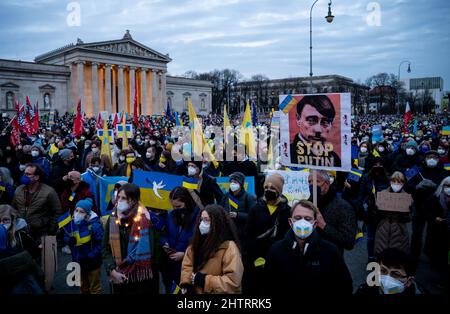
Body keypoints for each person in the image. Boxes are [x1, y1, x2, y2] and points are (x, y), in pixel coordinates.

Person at [264, 200, 353, 294]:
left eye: (307, 219)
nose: (302, 222)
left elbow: (344, 286)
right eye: (298, 218)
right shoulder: (276, 251)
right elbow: (267, 287)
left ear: (314, 224)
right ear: (290, 222)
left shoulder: (330, 251)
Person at [102, 183, 159, 294]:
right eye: (118, 197)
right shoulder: (113, 218)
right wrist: (112, 270)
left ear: (133, 200)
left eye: (123, 198)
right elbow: (105, 248)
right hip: (118, 276)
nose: (119, 200)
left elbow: (151, 252)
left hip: (141, 280)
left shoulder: (145, 219)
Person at [180, 204, 243, 294]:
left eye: (207, 220)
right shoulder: (196, 241)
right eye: (201, 219)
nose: (202, 224)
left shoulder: (229, 247)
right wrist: (186, 283)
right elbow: (187, 265)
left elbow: (233, 282)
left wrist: (205, 280)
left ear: (217, 223)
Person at [244, 173, 291, 294]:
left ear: (279, 191)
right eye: (266, 187)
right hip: (256, 261)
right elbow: (248, 235)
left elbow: (287, 237)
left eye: (272, 188)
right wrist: (256, 258)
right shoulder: (255, 208)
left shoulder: (287, 211)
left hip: (278, 260)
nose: (268, 190)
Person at [160, 187, 200, 293]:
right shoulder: (171, 215)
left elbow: (200, 242)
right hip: (171, 265)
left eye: (178, 206)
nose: (175, 209)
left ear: (186, 202)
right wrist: (165, 243)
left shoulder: (198, 216)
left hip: (188, 267)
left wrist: (184, 254)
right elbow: (164, 233)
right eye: (173, 206)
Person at [308, 170, 357, 254]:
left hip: (331, 259)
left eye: (317, 181)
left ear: (326, 184)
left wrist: (324, 226)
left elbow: (349, 242)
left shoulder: (343, 207)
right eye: (309, 181)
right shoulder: (307, 204)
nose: (312, 184)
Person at [12, 163, 62, 242]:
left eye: (28, 174)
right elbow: (13, 209)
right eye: (24, 173)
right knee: (25, 254)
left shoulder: (49, 192)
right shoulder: (18, 190)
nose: (24, 176)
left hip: (44, 233)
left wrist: (51, 232)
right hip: (23, 233)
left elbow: (57, 213)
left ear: (36, 177)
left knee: (48, 254)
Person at [64, 198, 103, 294]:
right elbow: (66, 235)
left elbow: (101, 244)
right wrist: (69, 240)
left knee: (95, 289)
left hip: (92, 263)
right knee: (83, 288)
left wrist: (90, 257)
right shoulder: (72, 223)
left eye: (81, 212)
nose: (77, 213)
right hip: (78, 262)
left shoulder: (95, 226)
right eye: (76, 210)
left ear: (87, 214)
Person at [289, 95, 341, 167]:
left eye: (325, 122)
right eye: (311, 120)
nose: (318, 129)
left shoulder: (334, 159)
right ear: (298, 119)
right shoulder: (288, 154)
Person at [357, 158, 390, 261]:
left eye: (380, 164)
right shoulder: (367, 177)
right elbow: (361, 194)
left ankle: (381, 257)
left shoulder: (387, 178)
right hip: (370, 211)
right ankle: (371, 257)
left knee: (383, 237)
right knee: (371, 237)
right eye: (376, 164)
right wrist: (361, 210)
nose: (378, 166)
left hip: (384, 212)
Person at [355, 248, 426, 295]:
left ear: (409, 281)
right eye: (383, 271)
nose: (387, 279)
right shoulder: (365, 290)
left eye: (396, 274)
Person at [374, 172, 412, 255]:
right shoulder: (383, 194)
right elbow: (377, 215)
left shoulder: (407, 198)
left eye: (399, 182)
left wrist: (407, 211)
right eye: (394, 181)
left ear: (403, 183)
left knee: (397, 255)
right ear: (390, 182)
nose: (396, 184)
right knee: (382, 252)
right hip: (384, 227)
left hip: (399, 229)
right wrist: (376, 208)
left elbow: (409, 219)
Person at [421, 177, 450, 279]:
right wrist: (434, 218)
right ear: (443, 186)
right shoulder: (434, 197)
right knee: (436, 254)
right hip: (436, 231)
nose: (449, 188)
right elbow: (426, 210)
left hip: (448, 231)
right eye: (447, 186)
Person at [220, 172, 256, 242]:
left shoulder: (249, 197)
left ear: (241, 184)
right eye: (231, 182)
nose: (232, 184)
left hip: (241, 234)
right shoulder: (225, 196)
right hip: (227, 232)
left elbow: (253, 216)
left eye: (235, 182)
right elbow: (220, 210)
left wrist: (238, 215)